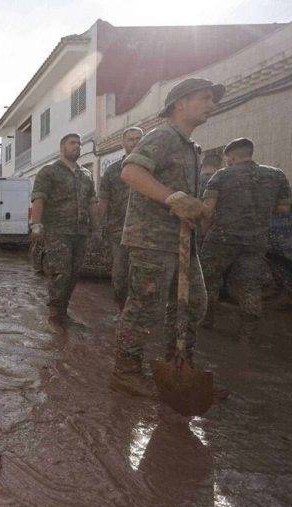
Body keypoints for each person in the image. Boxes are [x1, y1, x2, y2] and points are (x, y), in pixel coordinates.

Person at [111, 78, 224, 397]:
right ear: (180, 104)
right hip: (152, 239)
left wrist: (196, 207)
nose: (211, 105)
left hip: (181, 240)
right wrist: (173, 198)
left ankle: (178, 366)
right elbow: (130, 173)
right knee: (144, 305)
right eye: (204, 98)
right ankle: (126, 370)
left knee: (193, 304)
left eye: (212, 99)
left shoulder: (192, 147)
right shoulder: (162, 136)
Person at [200, 137, 291, 342]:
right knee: (249, 284)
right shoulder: (276, 175)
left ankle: (206, 321)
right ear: (250, 153)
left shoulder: (221, 176)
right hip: (256, 240)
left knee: (210, 279)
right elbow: (285, 208)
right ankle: (246, 334)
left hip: (221, 238)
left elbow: (208, 210)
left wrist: (203, 233)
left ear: (231, 157)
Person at [30, 133, 101, 325]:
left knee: (74, 273)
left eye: (79, 144)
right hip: (57, 231)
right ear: (62, 147)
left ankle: (63, 311)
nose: (77, 146)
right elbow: (39, 198)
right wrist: (36, 225)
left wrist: (96, 229)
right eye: (72, 143)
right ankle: (55, 315)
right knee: (61, 273)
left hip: (80, 232)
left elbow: (92, 202)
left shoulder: (86, 175)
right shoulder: (49, 172)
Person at [97, 127, 144, 310]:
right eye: (131, 139)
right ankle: (122, 310)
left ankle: (141, 313)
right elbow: (103, 201)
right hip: (119, 232)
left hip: (148, 231)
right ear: (123, 143)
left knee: (145, 275)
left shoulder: (155, 168)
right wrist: (98, 227)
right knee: (120, 274)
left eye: (138, 138)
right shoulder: (112, 171)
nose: (135, 142)